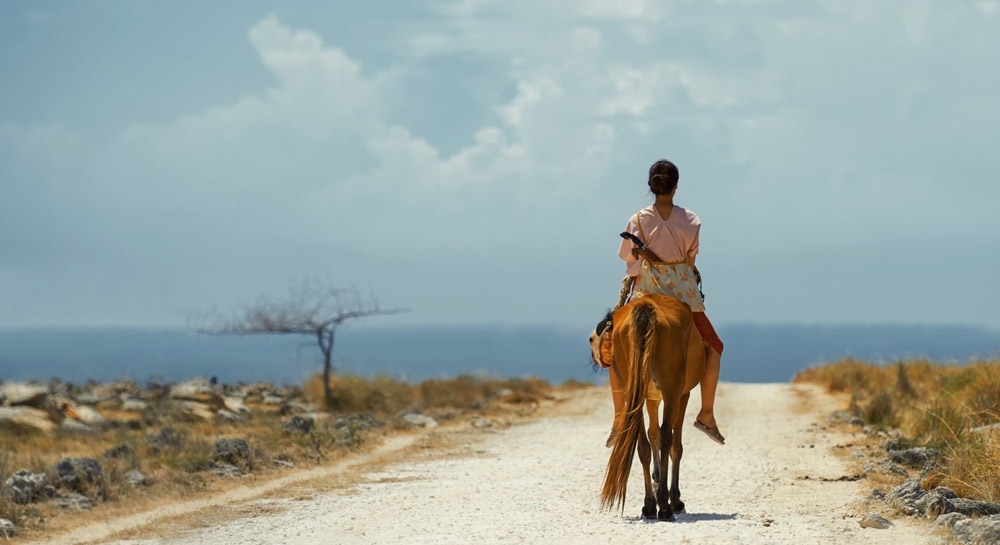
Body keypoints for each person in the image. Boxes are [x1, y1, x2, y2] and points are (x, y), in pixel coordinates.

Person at [608, 158, 726, 446]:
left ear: (651, 186)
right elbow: (690, 259)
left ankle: (619, 418)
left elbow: (629, 260)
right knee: (714, 346)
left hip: (645, 291)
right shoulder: (692, 220)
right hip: (683, 295)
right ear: (675, 187)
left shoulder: (635, 220)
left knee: (612, 345)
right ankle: (707, 414)